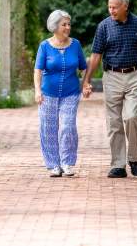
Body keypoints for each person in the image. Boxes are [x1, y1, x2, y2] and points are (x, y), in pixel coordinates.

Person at [82, 0, 137, 178]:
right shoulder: (104, 27)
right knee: (114, 121)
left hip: (134, 74)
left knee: (132, 116)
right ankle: (118, 164)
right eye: (109, 6)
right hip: (112, 76)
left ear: (125, 6)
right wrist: (87, 80)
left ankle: (133, 158)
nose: (111, 10)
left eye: (114, 7)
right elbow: (95, 56)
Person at [34, 10, 87, 177]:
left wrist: (85, 84)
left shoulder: (75, 45)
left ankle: (67, 163)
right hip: (48, 93)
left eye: (69, 24)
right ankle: (53, 165)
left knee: (67, 126)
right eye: (64, 24)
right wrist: (37, 90)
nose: (68, 27)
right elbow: (38, 70)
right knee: (48, 128)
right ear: (54, 26)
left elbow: (84, 68)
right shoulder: (44, 46)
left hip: (71, 93)